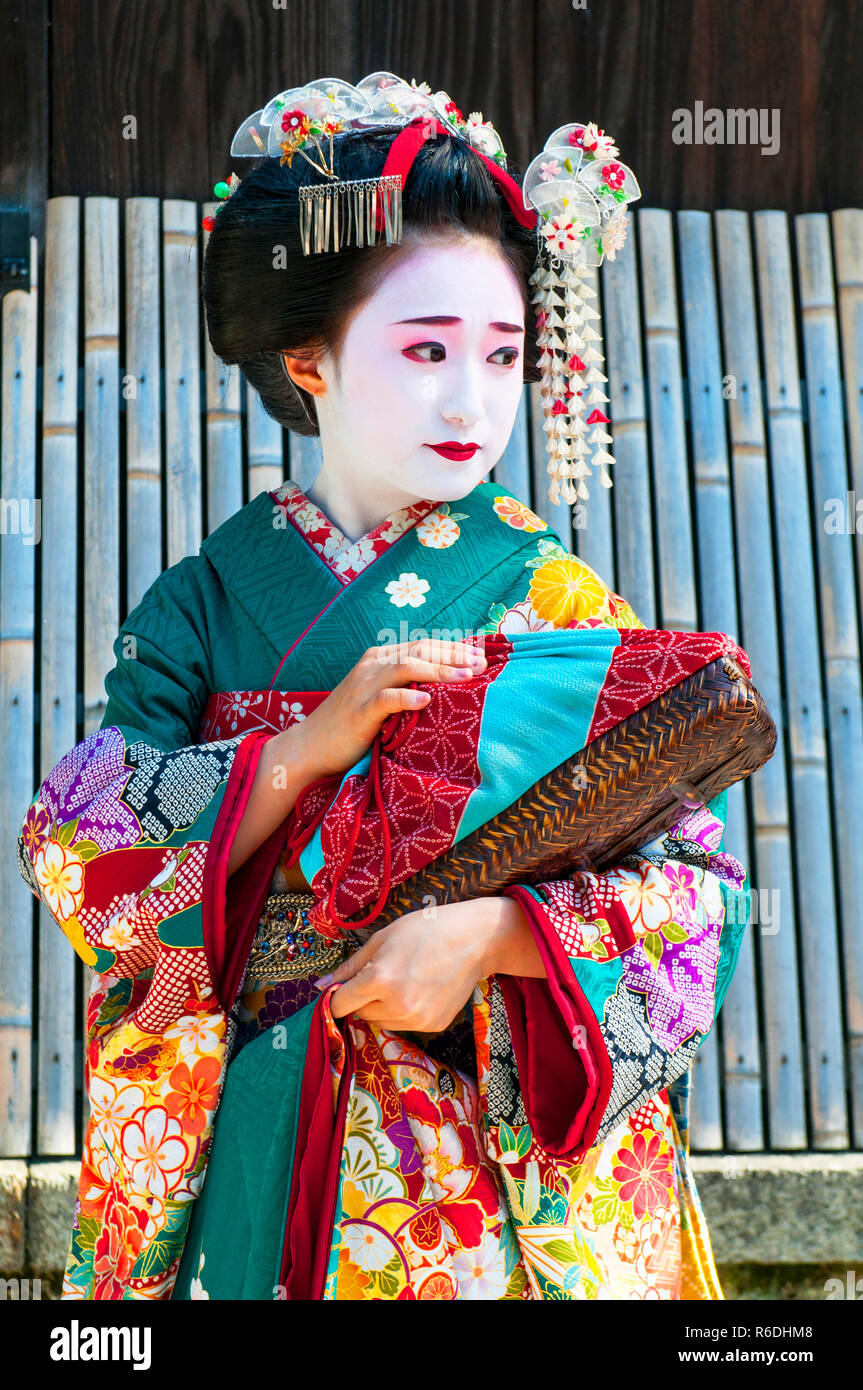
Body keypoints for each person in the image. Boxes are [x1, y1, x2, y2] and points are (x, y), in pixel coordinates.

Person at [17, 75, 750, 1300]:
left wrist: (499, 935)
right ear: (305, 355)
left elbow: (696, 891)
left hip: (486, 1172)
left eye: (502, 353)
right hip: (256, 1128)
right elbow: (77, 855)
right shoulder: (203, 603)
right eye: (424, 350)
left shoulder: (556, 597)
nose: (471, 398)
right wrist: (302, 748)